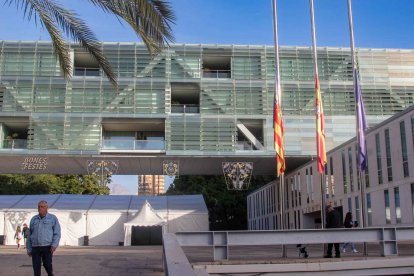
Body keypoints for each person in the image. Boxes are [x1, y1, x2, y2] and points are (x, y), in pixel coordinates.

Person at [27, 200, 61, 276]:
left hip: (47, 246)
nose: (40, 208)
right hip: (35, 247)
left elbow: (57, 233)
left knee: (47, 265)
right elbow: (29, 235)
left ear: (47, 208)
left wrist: (54, 245)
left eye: (42, 207)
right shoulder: (33, 219)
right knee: (36, 267)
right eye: (39, 207)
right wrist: (29, 248)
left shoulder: (52, 218)